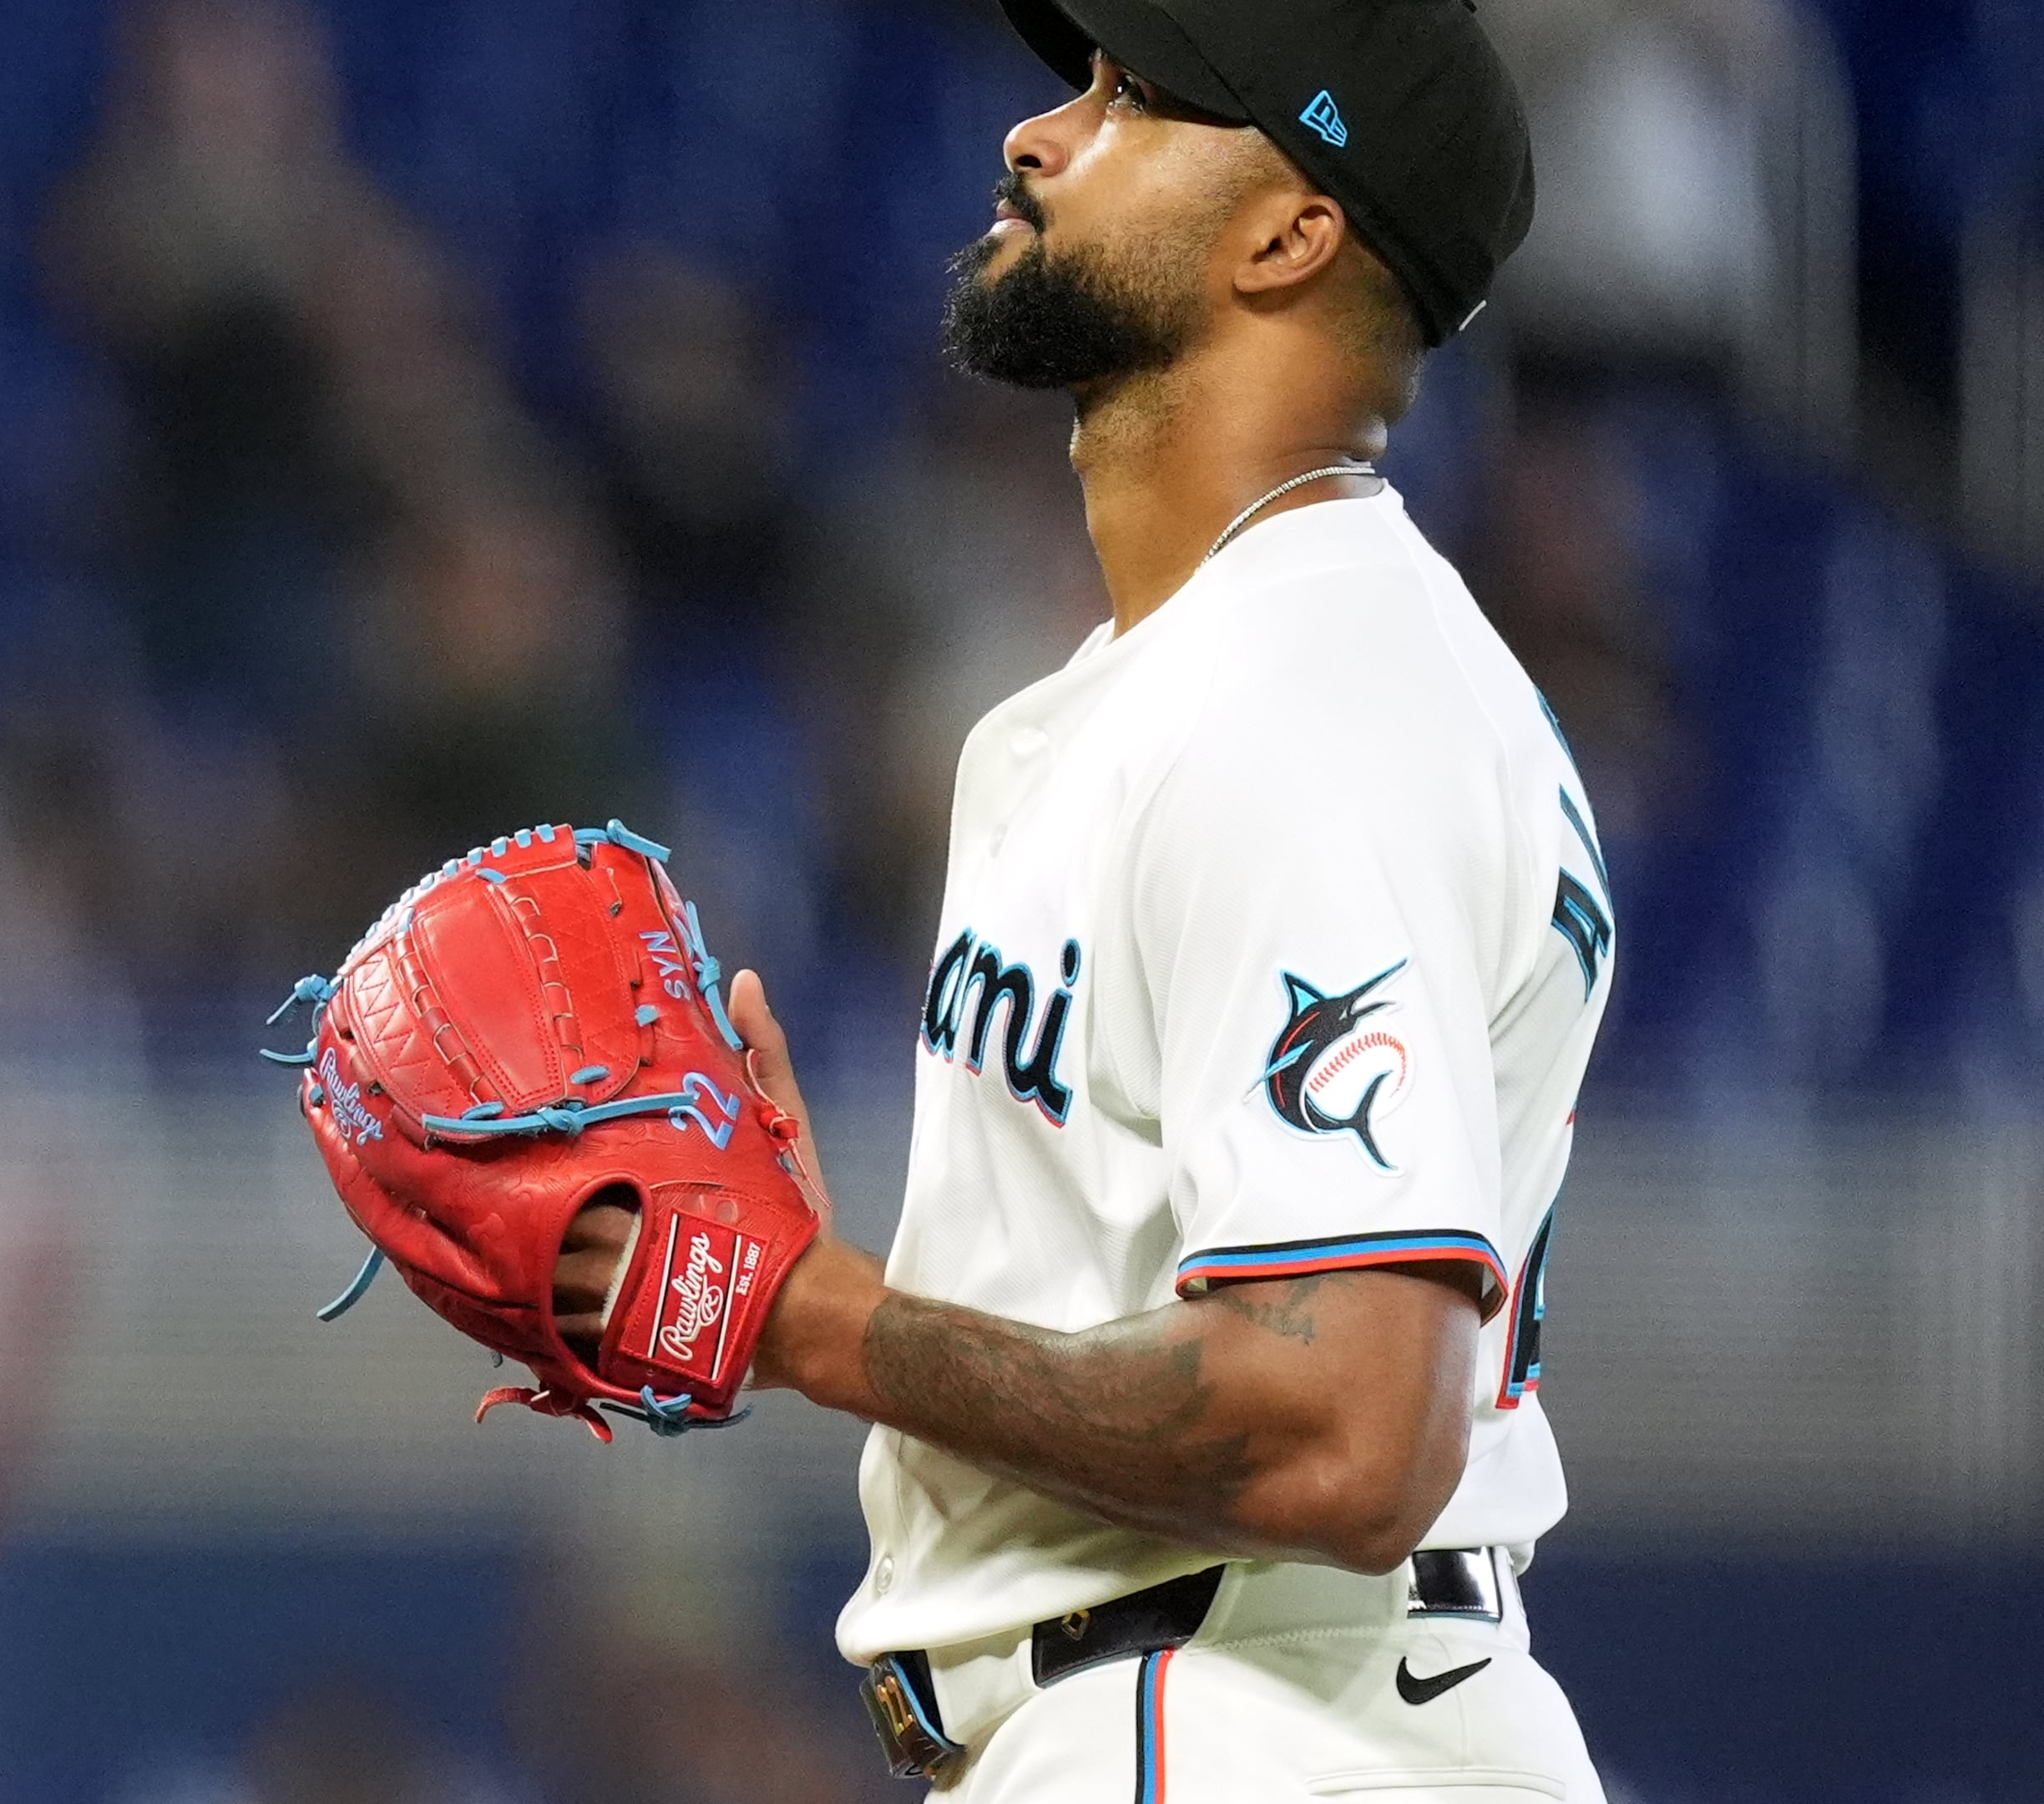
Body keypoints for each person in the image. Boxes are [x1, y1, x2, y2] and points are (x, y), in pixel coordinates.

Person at [556, 0, 1614, 1793]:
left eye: (1133, 99)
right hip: (1243, 1705)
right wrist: (879, 1286)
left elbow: (1346, 1426)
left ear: (1290, 231)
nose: (1038, 137)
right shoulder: (1219, 677)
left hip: (1242, 1717)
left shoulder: (1299, 693)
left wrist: (826, 1318)